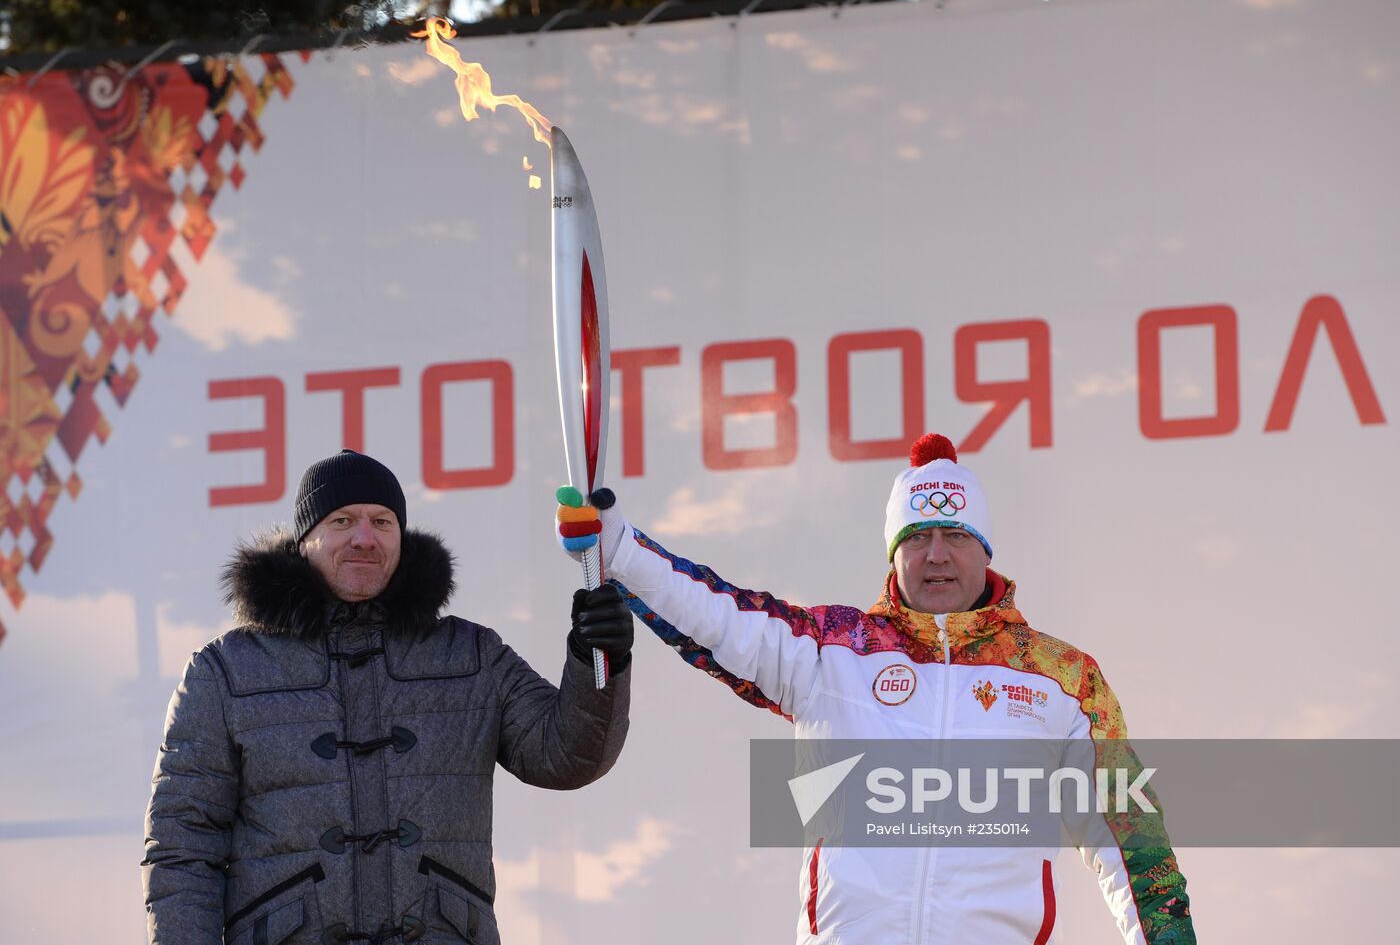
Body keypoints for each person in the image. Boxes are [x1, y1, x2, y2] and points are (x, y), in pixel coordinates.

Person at [557, 434, 1194, 944]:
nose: (936, 555)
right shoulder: (833, 650)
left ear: (986, 550)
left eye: (956, 536)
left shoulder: (1062, 681)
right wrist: (619, 548)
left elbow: (1134, 846)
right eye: (916, 537)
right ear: (893, 554)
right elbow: (719, 614)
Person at [143, 449, 633, 945]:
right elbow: (182, 847)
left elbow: (568, 755)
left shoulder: (471, 655)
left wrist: (599, 656)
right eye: (342, 520)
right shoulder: (224, 671)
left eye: (382, 521)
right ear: (304, 540)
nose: (364, 537)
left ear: (401, 537)